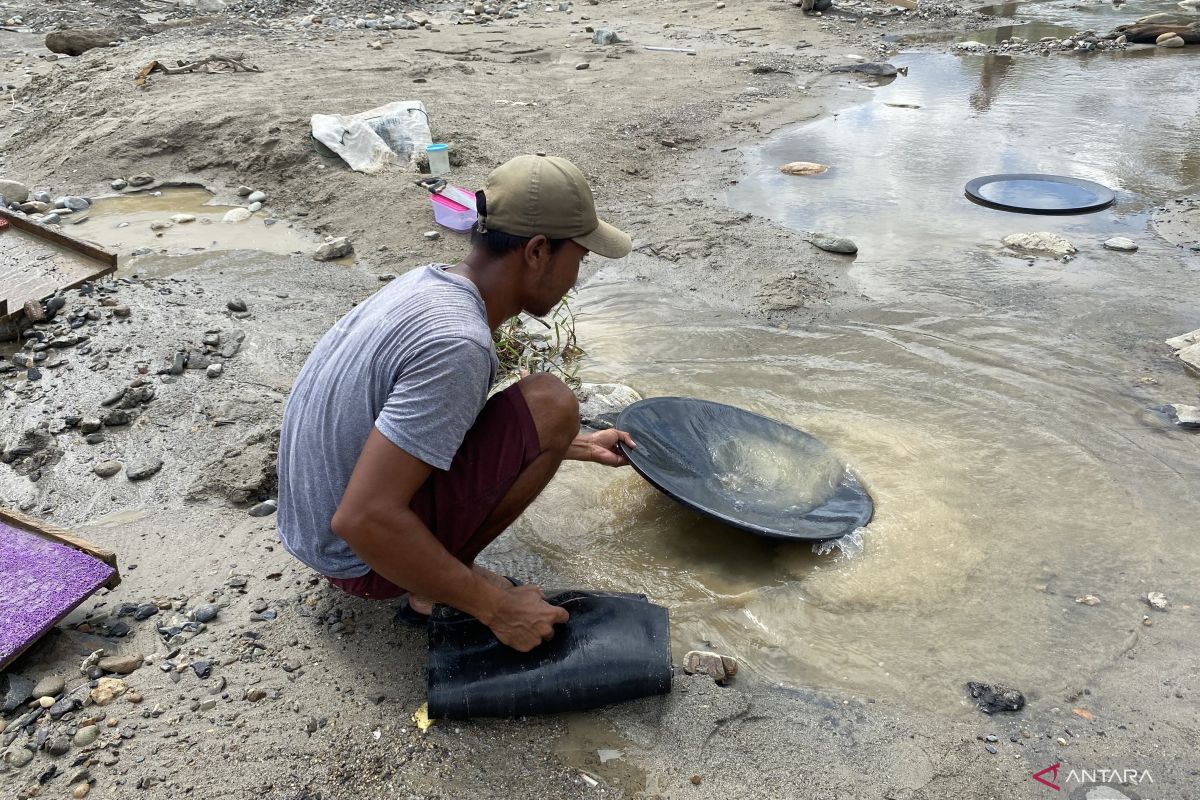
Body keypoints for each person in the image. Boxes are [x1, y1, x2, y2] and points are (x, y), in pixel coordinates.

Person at [276, 154, 636, 653]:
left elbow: (417, 424)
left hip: (308, 528)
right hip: (356, 557)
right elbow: (361, 518)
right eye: (580, 257)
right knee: (551, 401)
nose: (578, 275)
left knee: (550, 418)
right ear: (537, 252)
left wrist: (574, 445)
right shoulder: (459, 342)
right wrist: (499, 610)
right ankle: (427, 589)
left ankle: (435, 573)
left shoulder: (428, 283)